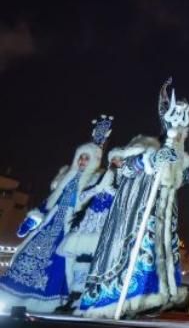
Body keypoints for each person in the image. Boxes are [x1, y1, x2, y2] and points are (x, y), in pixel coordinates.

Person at [78, 80, 189, 318]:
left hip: (163, 218)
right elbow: (124, 169)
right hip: (136, 218)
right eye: (175, 125)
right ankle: (118, 304)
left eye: (183, 130)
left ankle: (144, 305)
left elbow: (177, 180)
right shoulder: (143, 146)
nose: (179, 133)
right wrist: (149, 161)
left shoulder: (177, 156)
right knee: (135, 259)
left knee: (158, 263)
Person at [0, 116, 112, 312]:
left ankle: (52, 303)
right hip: (51, 223)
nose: (83, 161)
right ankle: (18, 298)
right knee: (28, 258)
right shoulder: (65, 177)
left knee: (61, 264)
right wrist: (32, 219)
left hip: (71, 227)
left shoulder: (95, 179)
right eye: (81, 157)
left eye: (87, 157)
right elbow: (49, 202)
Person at [55, 144, 125, 311]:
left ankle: (88, 299)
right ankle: (75, 295)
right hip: (89, 223)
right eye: (113, 159)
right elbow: (82, 197)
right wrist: (97, 188)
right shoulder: (100, 176)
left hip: (106, 226)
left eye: (119, 159)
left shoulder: (126, 181)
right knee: (82, 260)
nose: (115, 161)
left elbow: (125, 203)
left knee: (98, 264)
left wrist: (110, 190)